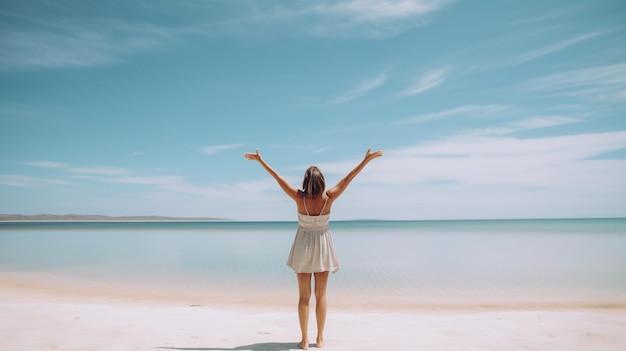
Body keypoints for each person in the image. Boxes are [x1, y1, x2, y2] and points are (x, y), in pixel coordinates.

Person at [244, 148, 383, 349]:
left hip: (303, 246)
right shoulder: (329, 197)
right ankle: (319, 339)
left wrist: (260, 160)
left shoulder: (299, 198)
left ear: (306, 181)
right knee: (321, 296)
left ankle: (304, 340)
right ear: (322, 182)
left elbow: (278, 178)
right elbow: (348, 179)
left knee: (303, 297)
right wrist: (365, 160)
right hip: (323, 247)